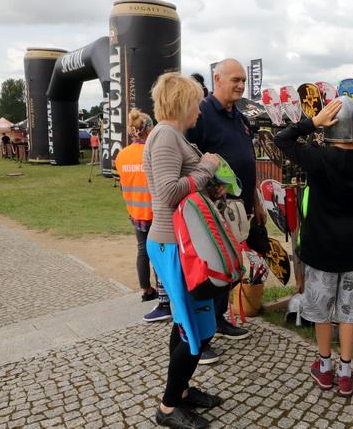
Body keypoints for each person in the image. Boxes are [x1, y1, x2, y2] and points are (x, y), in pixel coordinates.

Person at [274, 97, 353, 397]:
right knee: (348, 313)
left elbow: (282, 139)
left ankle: (325, 367)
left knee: (321, 312)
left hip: (321, 251)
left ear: (329, 126)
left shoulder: (318, 159)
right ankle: (345, 373)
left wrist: (312, 123)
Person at [143, 73, 224, 429]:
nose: (200, 111)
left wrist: (209, 188)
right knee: (194, 329)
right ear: (182, 103)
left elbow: (183, 189)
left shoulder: (172, 135)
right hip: (174, 245)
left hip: (182, 243)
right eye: (196, 103)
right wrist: (207, 168)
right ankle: (167, 408)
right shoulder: (165, 136)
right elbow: (168, 193)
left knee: (188, 324)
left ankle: (182, 390)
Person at [186, 59, 267, 363]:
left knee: (230, 267)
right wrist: (207, 188)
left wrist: (255, 201)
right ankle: (200, 335)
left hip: (239, 208)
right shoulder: (201, 113)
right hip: (213, 208)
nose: (241, 85)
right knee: (210, 270)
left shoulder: (240, 117)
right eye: (235, 80)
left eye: (243, 80)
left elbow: (247, 162)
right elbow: (188, 159)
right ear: (217, 78)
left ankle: (218, 319)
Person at [115, 108, 171, 320]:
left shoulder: (122, 155)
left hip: (135, 212)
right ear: (149, 130)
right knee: (159, 253)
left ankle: (146, 289)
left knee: (142, 250)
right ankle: (165, 296)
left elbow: (123, 185)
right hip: (156, 213)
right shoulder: (152, 152)